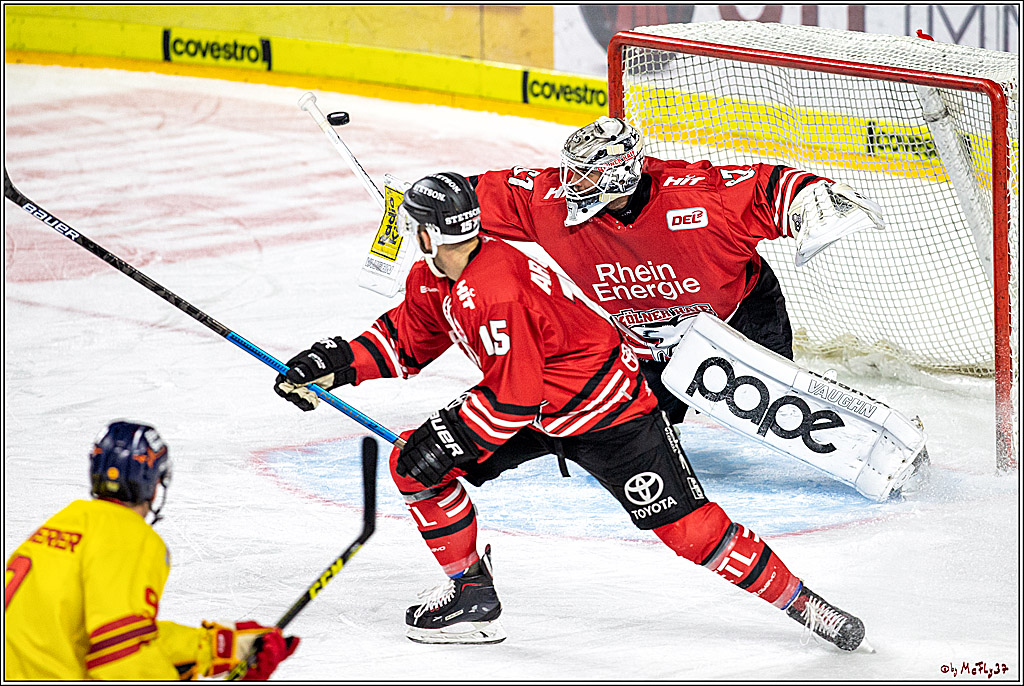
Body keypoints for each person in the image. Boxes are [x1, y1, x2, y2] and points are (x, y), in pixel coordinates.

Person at [274, 172, 870, 652]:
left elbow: (512, 397)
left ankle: (802, 602)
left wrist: (449, 433)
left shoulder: (494, 290)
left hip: (607, 410)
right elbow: (405, 342)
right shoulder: (435, 278)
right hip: (536, 406)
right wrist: (333, 365)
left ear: (427, 234)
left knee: (686, 529)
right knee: (415, 468)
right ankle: (473, 597)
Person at [467, 115, 928, 491]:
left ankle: (890, 448)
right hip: (645, 340)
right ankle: (468, 456)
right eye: (574, 170)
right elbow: (464, 198)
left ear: (623, 174)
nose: (572, 183)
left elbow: (777, 186)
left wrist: (814, 199)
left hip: (738, 321)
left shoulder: (698, 194)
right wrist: (409, 203)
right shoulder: (547, 201)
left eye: (589, 173)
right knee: (605, 423)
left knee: (784, 410)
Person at [4, 420, 300, 681]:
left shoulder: (67, 521)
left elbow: (117, 633)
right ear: (153, 484)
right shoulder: (129, 536)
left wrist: (216, 648)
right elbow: (121, 659)